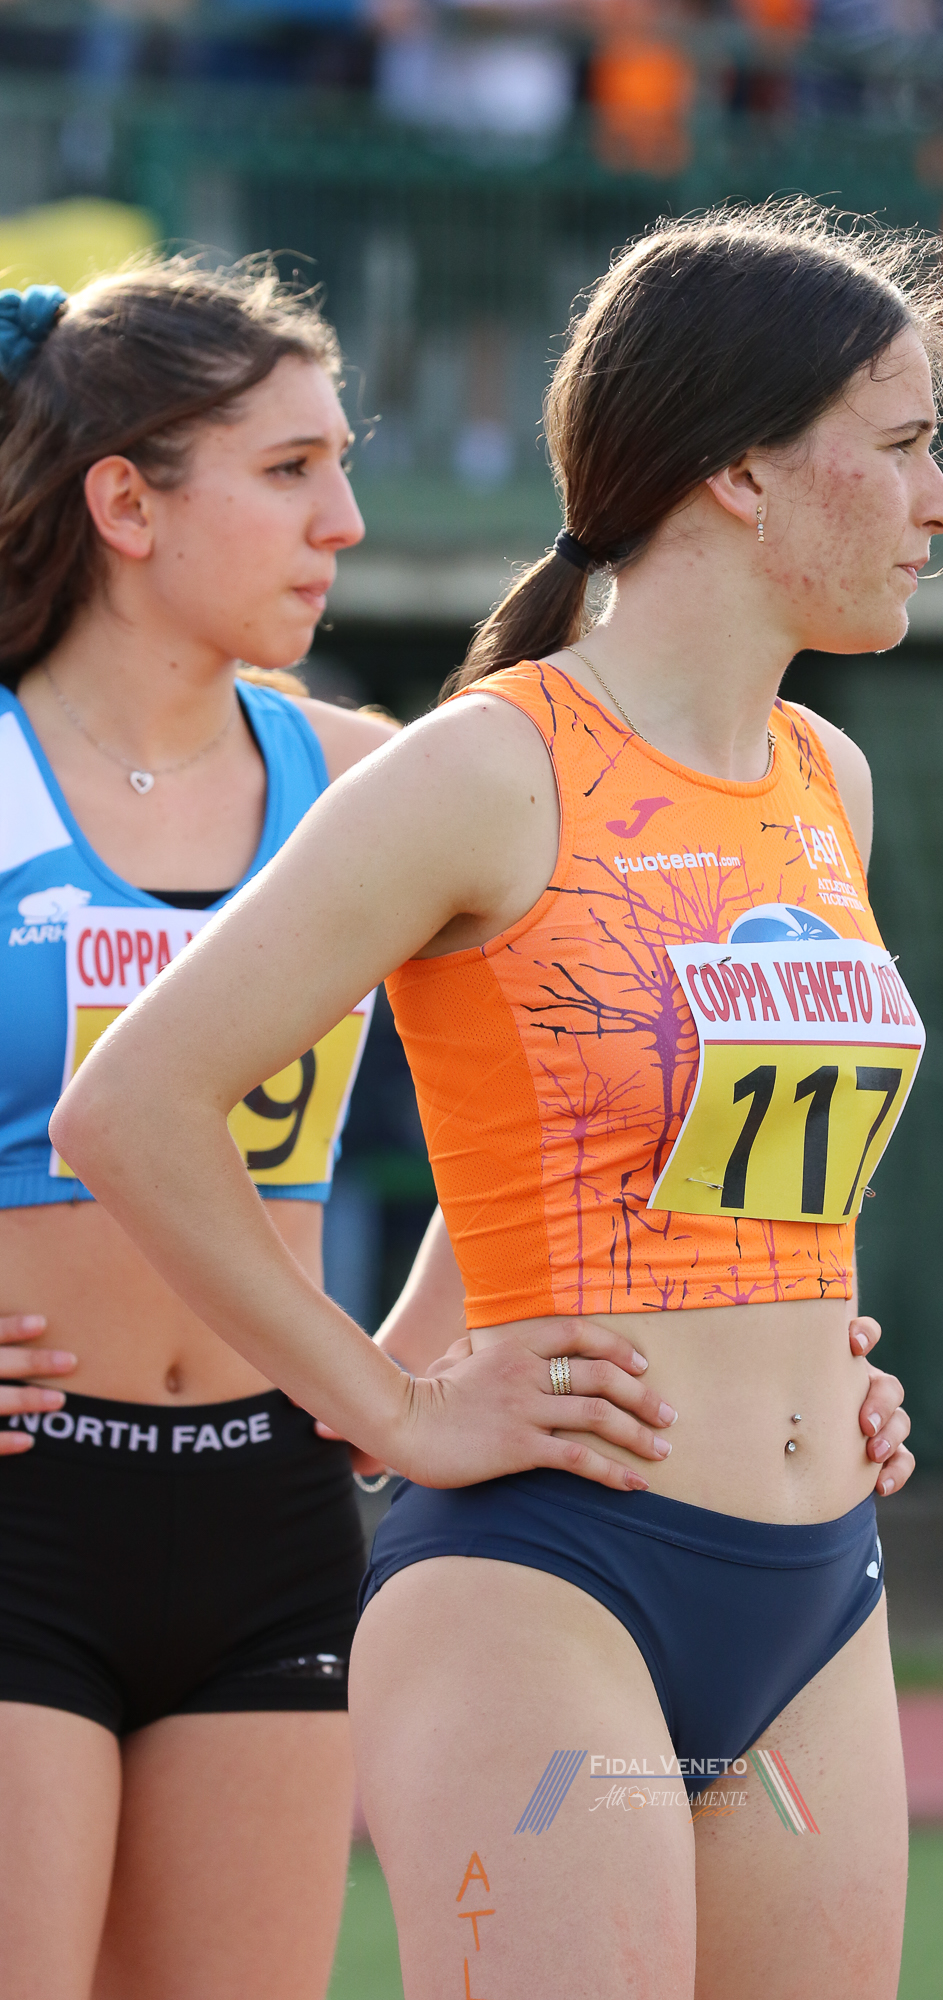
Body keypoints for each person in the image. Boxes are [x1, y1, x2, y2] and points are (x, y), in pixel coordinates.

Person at [53, 199, 943, 1998]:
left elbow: (621, 1156)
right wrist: (388, 1406)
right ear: (738, 473)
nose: (941, 506)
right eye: (905, 447)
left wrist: (812, 1355)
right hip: (551, 1582)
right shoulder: (487, 769)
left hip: (820, 1587)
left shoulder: (825, 779)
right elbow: (129, 1110)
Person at [0, 262, 402, 2000]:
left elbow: (570, 1112)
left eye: (342, 466)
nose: (344, 522)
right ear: (127, 505)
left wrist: (408, 1378)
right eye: (291, 470)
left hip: (275, 1520)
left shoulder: (373, 780)